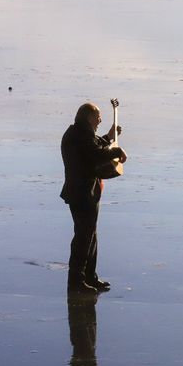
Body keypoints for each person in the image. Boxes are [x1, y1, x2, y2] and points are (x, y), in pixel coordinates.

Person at [60, 102, 128, 293]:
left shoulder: (80, 133)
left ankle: (90, 277)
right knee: (83, 238)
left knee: (90, 236)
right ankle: (76, 281)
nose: (100, 120)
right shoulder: (79, 135)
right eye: (98, 117)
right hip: (81, 194)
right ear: (89, 117)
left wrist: (109, 137)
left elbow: (94, 145)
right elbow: (96, 154)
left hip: (86, 192)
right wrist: (117, 150)